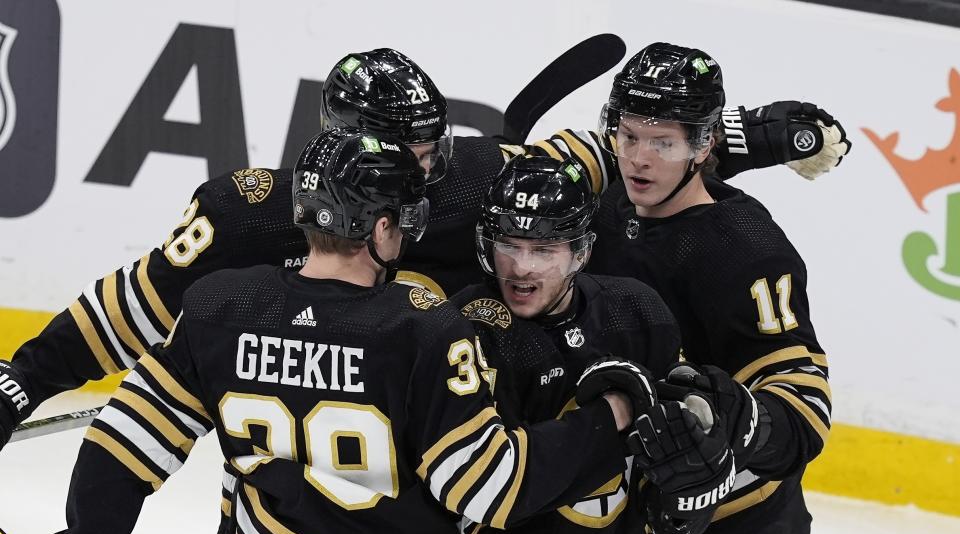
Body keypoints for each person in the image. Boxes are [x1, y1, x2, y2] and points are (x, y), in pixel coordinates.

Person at [0, 45, 849, 453]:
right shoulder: (251, 214)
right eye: (405, 160)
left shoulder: (474, 177)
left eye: (433, 149)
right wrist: (24, 378)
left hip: (461, 441)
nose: (427, 175)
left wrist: (757, 135)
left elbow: (620, 160)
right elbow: (141, 298)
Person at [30, 128, 651, 534]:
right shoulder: (427, 332)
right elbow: (491, 489)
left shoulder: (221, 305)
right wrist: (611, 415)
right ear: (381, 230)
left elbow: (123, 442)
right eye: (402, 222)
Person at [588, 43, 832, 534]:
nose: (638, 160)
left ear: (702, 147)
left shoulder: (745, 246)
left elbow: (807, 407)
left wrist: (736, 422)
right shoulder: (604, 206)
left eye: (663, 143)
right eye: (627, 136)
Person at [449, 156, 734, 534]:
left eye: (544, 249)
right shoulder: (469, 328)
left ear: (580, 252)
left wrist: (688, 487)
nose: (520, 267)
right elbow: (470, 477)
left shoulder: (637, 312)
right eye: (509, 245)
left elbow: (669, 452)